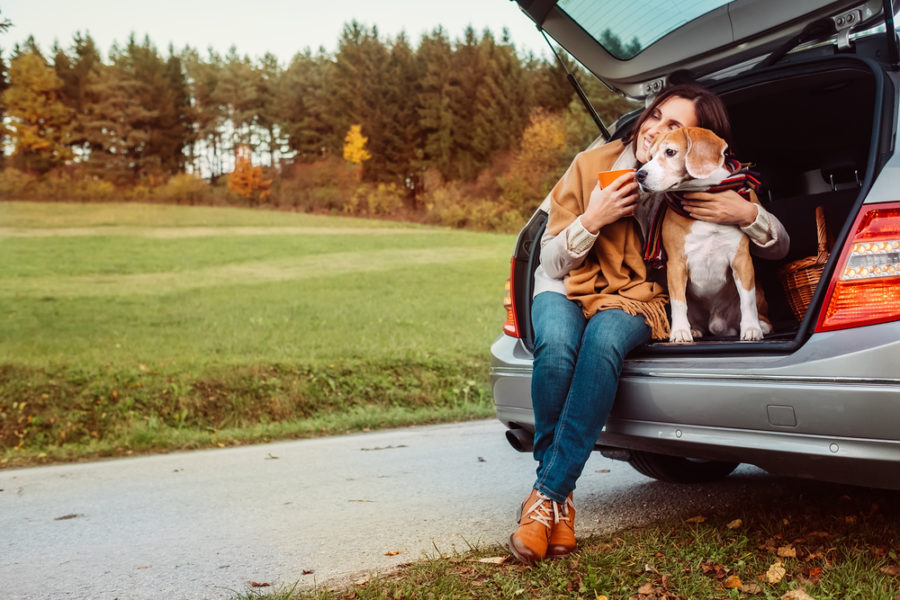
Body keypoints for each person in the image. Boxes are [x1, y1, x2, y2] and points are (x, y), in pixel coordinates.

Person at [508, 84, 790, 564]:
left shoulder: (696, 185)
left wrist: (747, 213)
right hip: (566, 284)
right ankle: (557, 499)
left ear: (695, 142)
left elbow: (779, 247)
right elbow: (550, 263)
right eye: (656, 115)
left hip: (638, 298)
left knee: (602, 344)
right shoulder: (589, 166)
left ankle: (546, 499)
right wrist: (592, 219)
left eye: (673, 125)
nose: (655, 129)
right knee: (556, 347)